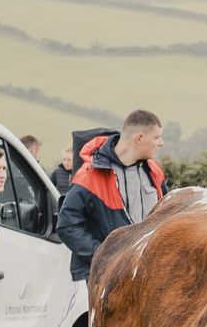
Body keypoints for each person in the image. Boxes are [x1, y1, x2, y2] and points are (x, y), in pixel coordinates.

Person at [57, 109, 167, 281]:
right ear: (139, 138)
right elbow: (67, 226)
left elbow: (166, 219)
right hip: (103, 280)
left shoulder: (155, 172)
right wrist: (104, 257)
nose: (161, 143)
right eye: (157, 137)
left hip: (146, 277)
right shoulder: (89, 177)